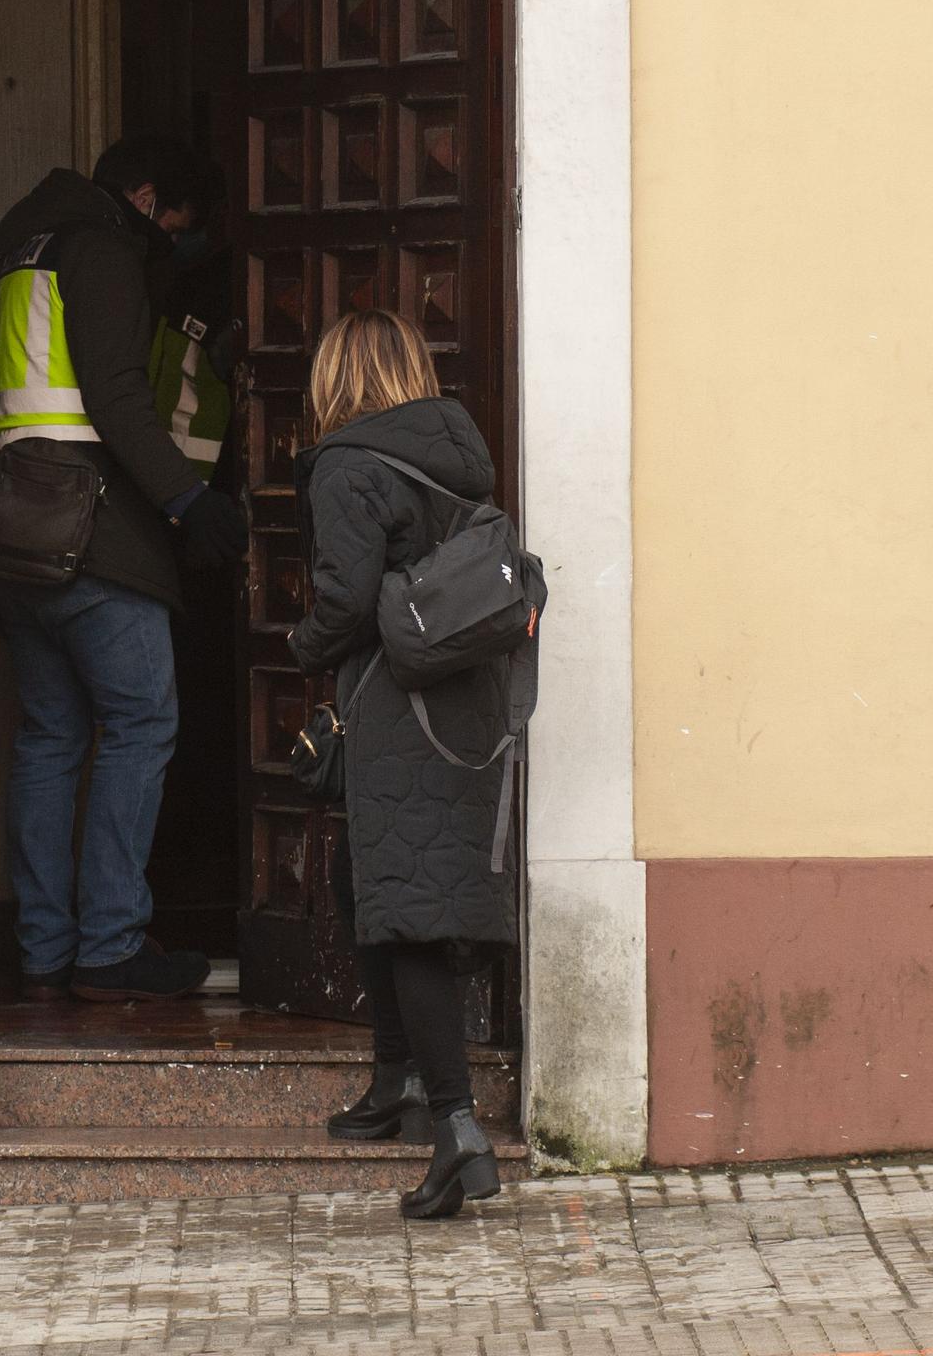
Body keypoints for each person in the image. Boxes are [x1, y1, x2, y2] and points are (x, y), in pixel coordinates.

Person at [0, 135, 247, 1002]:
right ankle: (109, 946)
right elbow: (114, 394)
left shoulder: (19, 245)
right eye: (176, 222)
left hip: (20, 525)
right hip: (93, 528)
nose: (177, 240)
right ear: (143, 198)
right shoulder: (99, 248)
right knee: (141, 723)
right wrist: (186, 500)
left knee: (51, 737)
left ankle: (44, 950)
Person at [288, 310, 514, 1220]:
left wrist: (304, 645)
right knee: (373, 884)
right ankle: (396, 1081)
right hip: (463, 701)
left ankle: (457, 1129)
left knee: (408, 911)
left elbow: (343, 600)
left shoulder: (347, 465)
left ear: (337, 377)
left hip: (393, 701)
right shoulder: (458, 456)